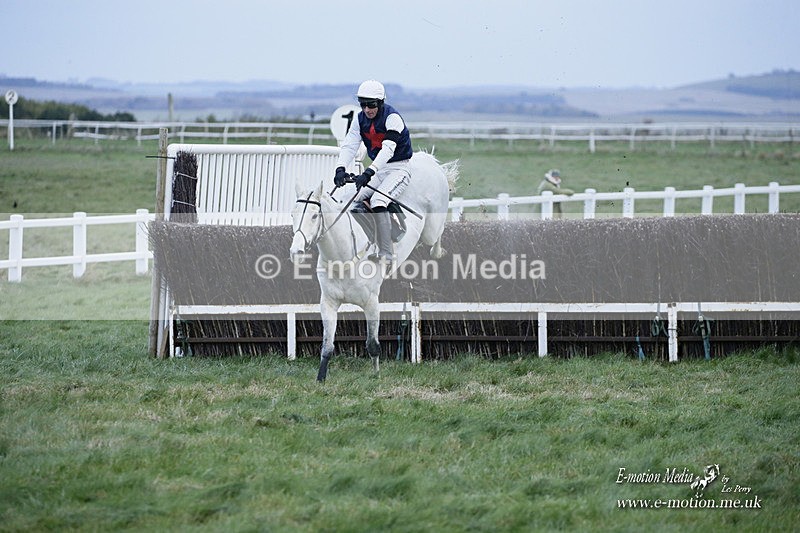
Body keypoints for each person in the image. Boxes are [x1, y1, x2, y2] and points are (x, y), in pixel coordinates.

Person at [333, 80, 413, 264]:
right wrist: (340, 168)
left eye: (371, 105)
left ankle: (387, 253)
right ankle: (367, 242)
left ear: (381, 102)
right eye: (363, 104)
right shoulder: (359, 119)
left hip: (399, 167)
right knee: (350, 198)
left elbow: (388, 150)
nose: (367, 109)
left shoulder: (393, 118)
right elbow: (350, 145)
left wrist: (369, 172)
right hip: (380, 169)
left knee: (378, 200)